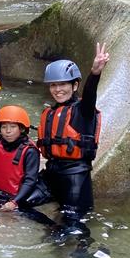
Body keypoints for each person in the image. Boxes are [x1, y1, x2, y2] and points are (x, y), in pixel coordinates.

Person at [37, 43, 109, 242]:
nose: (57, 89)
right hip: (52, 173)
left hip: (75, 178)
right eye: (53, 85)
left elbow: (90, 96)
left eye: (63, 84)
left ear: (74, 85)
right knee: (19, 203)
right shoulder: (51, 112)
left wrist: (95, 73)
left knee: (72, 227)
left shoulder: (82, 111)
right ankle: (51, 226)